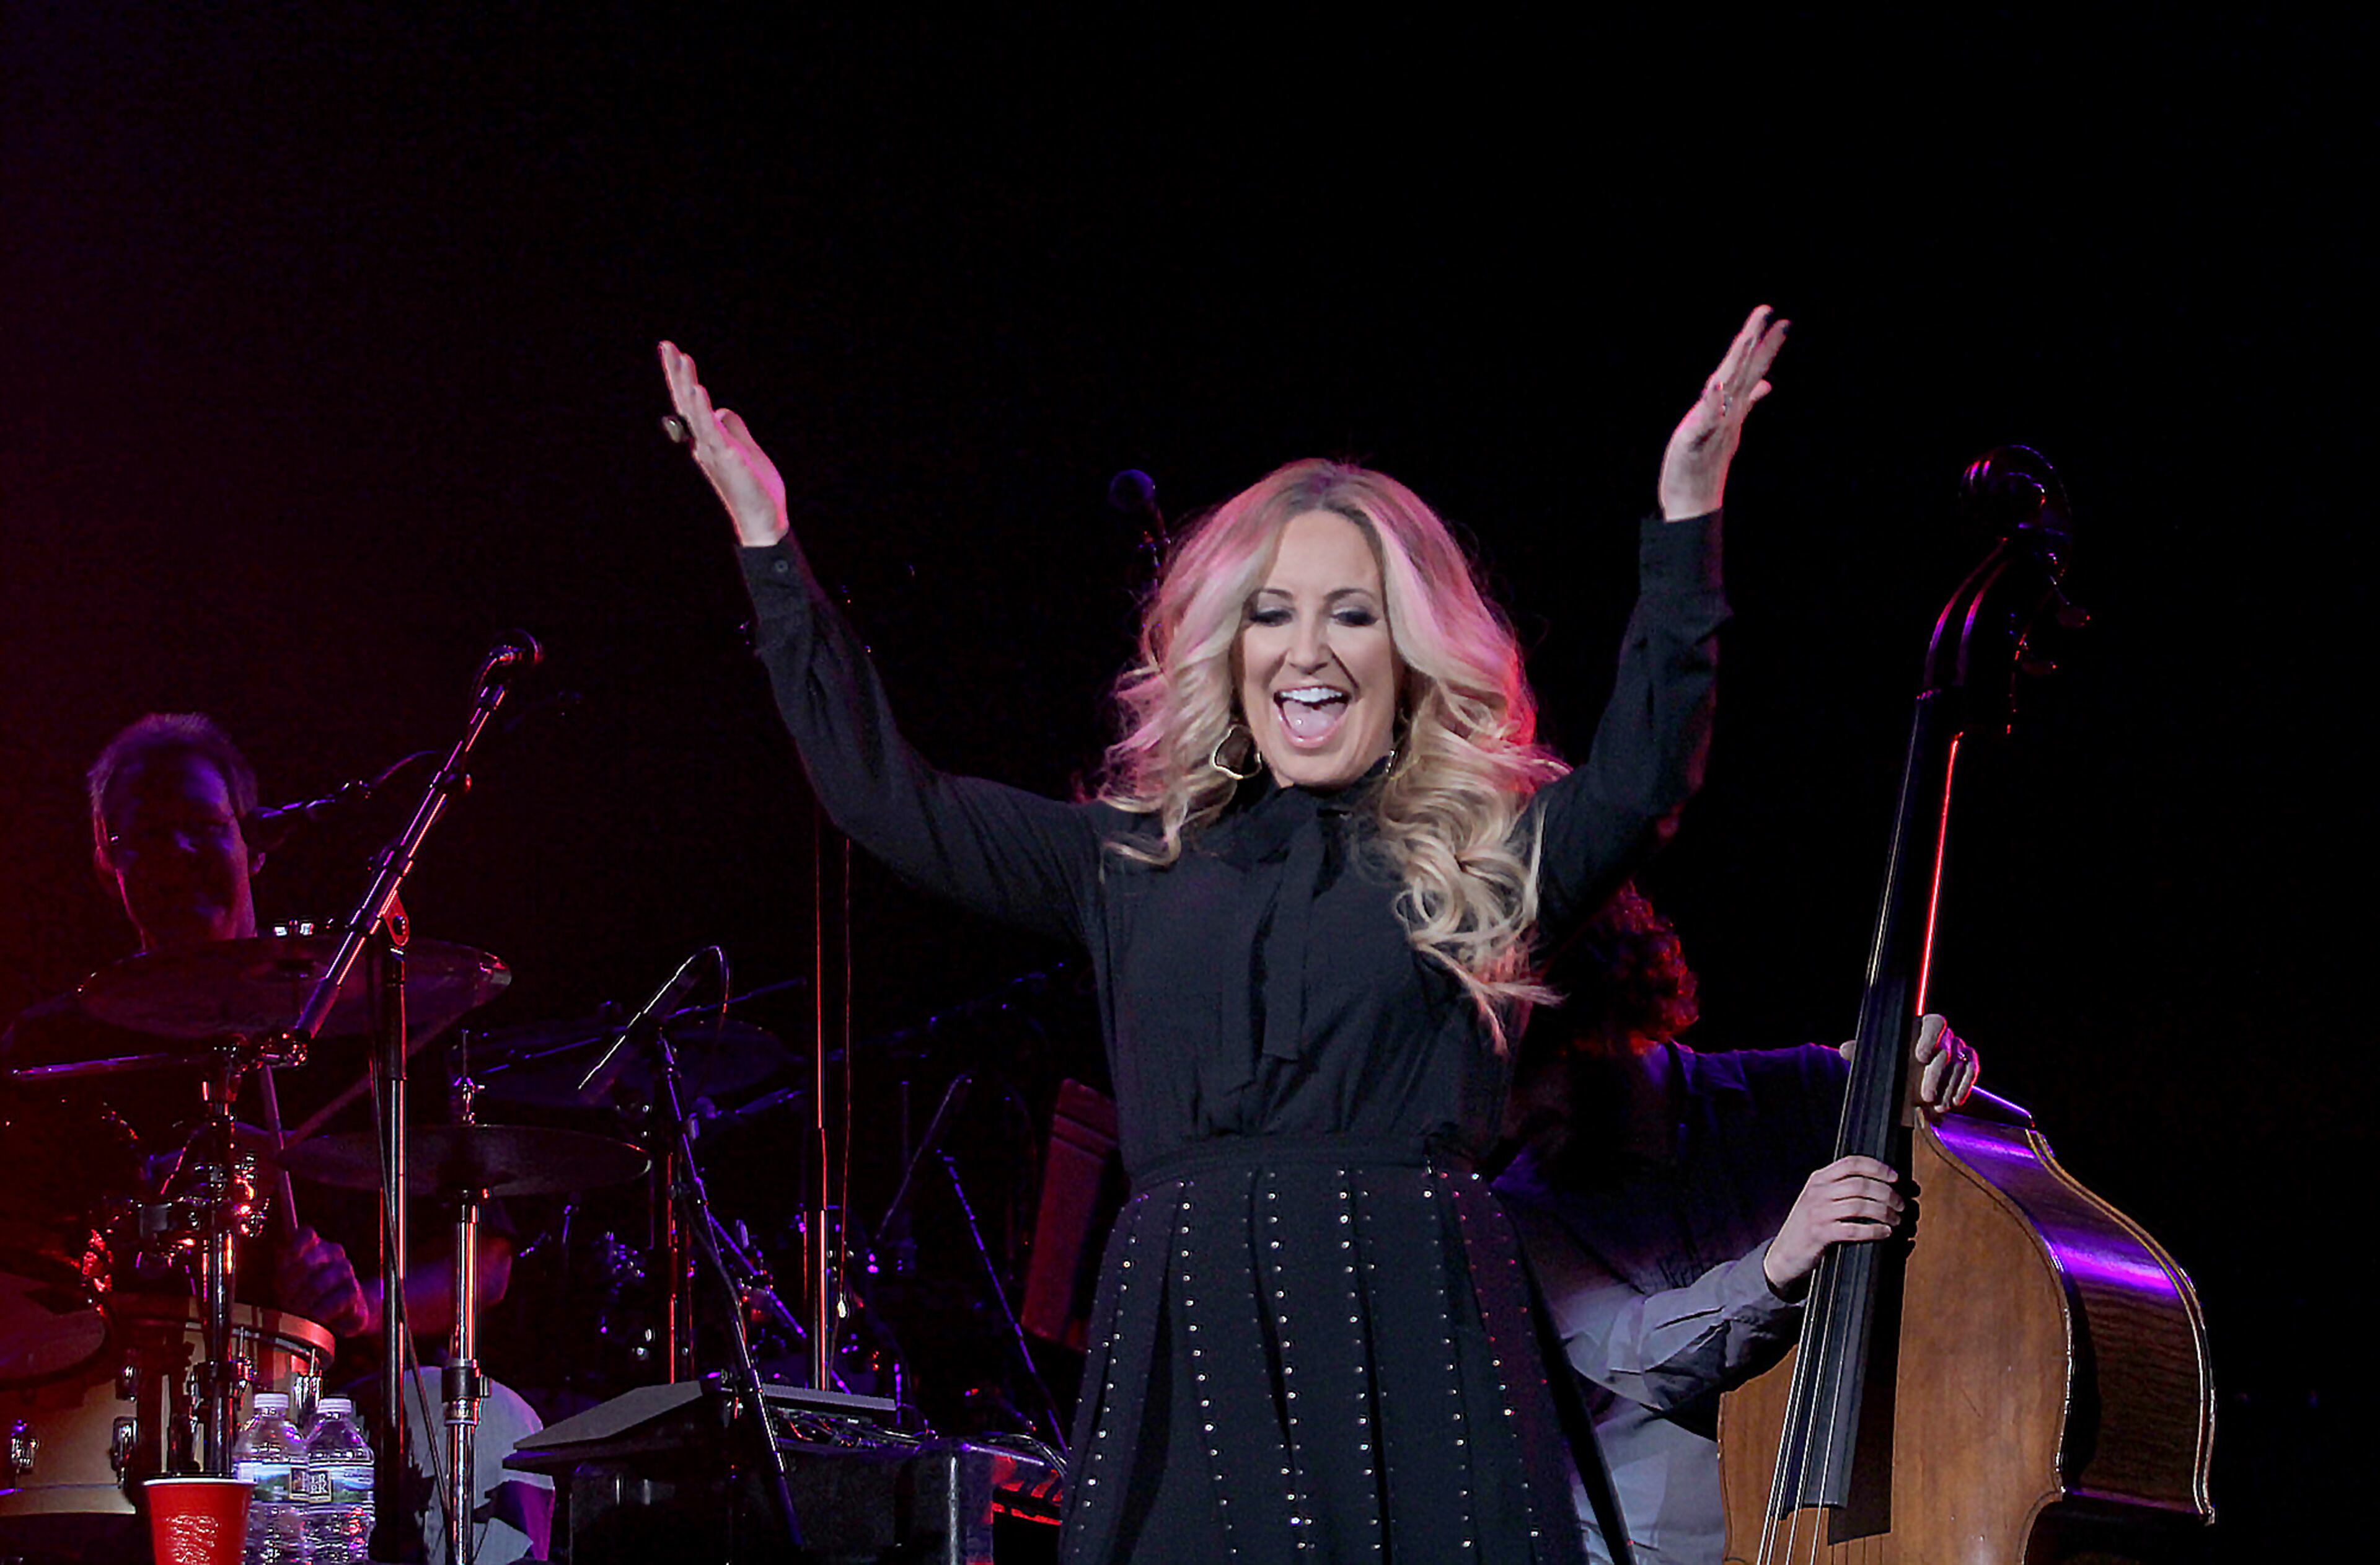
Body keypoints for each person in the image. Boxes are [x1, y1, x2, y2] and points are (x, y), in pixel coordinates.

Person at [659, 302, 1788, 1564]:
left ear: (1408, 648)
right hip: (1195, 1328)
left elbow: (1644, 775)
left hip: (1414, 1318)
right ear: (1228, 645)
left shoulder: (1478, 860)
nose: (1309, 648)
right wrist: (770, 544)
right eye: (1272, 611)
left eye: (1351, 612)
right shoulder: (1129, 861)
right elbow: (890, 797)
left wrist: (1687, 516)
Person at [1492, 885, 1980, 1565]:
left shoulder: (1805, 1090)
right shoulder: (1521, 1208)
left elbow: (2002, 1198)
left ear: (1592, 1026)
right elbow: (1641, 1353)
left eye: (1518, 1077)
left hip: (1857, 1531)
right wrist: (1778, 1264)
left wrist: (1944, 1084)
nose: (1506, 1121)